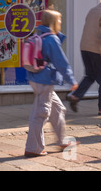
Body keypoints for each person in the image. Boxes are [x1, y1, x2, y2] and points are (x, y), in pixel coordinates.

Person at [24, 9, 79, 157]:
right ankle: (33, 147)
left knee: (58, 109)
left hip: (36, 78)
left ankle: (62, 141)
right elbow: (61, 62)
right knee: (41, 113)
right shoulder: (51, 39)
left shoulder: (38, 34)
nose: (61, 22)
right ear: (54, 22)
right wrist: (71, 80)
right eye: (59, 20)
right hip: (44, 80)